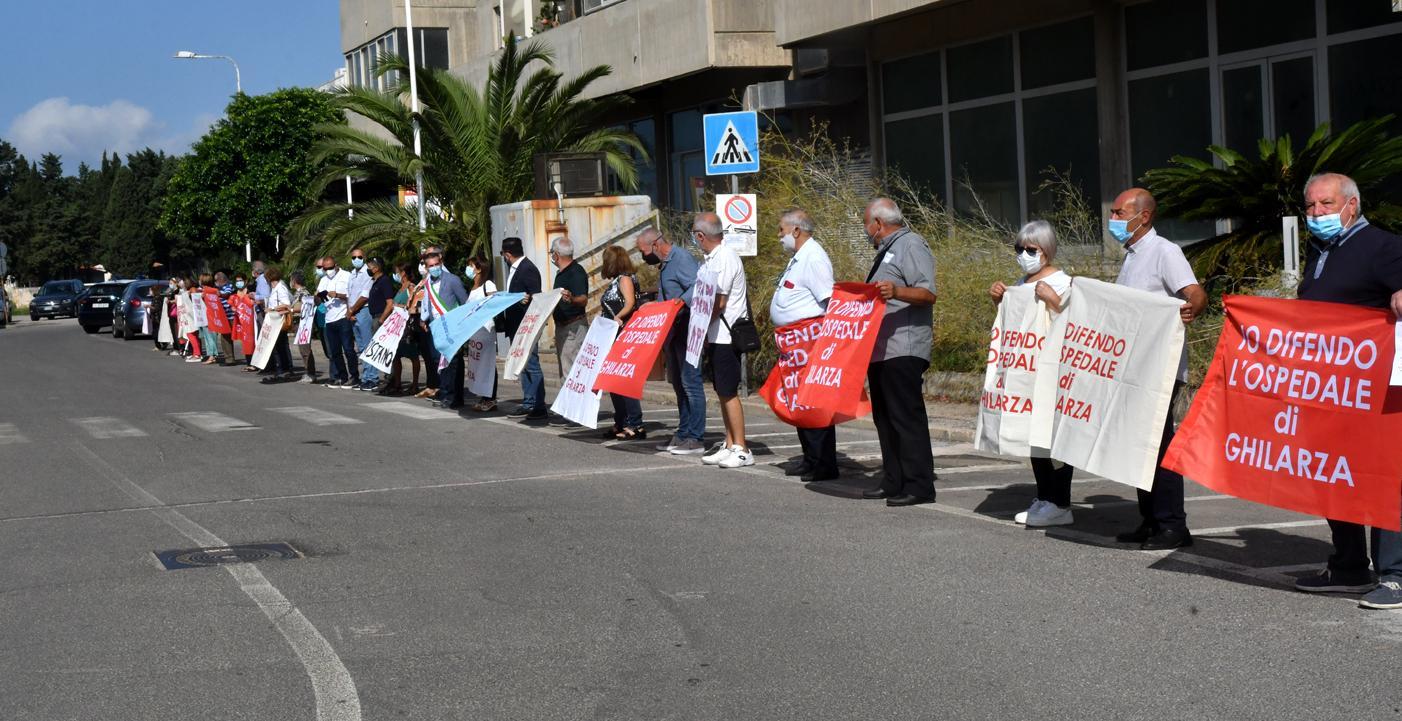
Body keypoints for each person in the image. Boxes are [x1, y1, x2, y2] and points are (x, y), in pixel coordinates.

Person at [1291, 172, 1402, 610]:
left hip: (1375, 395)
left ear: (1351, 206)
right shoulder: (1321, 251)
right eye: (1311, 206)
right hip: (1329, 392)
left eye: (1325, 204)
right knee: (1335, 475)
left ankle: (1395, 575)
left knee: (1383, 481)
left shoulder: (1383, 245)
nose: (1316, 213)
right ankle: (1350, 565)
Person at [1107, 187, 1208, 549]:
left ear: (1144, 216)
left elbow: (1195, 293)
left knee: (1160, 447)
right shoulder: (1131, 256)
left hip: (1158, 369)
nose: (1114, 220)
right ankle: (1150, 519)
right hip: (1133, 367)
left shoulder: (1165, 251)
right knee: (1139, 447)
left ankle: (1173, 525)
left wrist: (1190, 308)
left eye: (1119, 213)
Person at [990, 220, 1076, 526]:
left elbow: (1075, 322)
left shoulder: (1066, 283)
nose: (1023, 255)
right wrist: (1001, 300)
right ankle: (1045, 496)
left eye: (1031, 249)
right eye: (1019, 248)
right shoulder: (1021, 284)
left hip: (1053, 372)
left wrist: (1053, 300)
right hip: (1026, 372)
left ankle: (1061, 503)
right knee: (1034, 437)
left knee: (1054, 438)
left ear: (1047, 251)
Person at [859, 198, 938, 507]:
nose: (866, 231)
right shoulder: (885, 251)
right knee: (885, 418)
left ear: (879, 223)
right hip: (881, 348)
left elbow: (928, 292)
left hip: (903, 346)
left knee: (906, 417)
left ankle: (919, 485)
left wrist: (897, 291)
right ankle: (893, 480)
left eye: (866, 224)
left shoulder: (911, 244)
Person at [770, 208, 838, 482]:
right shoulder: (798, 257)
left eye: (781, 230)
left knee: (814, 403)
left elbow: (828, 301)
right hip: (794, 345)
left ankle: (823, 464)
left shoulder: (814, 257)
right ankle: (810, 458)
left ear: (796, 231)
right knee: (799, 402)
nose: (779, 236)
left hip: (809, 343)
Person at [638, 228, 706, 455]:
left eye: (643, 251)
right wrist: (655, 308)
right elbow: (667, 296)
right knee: (678, 383)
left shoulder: (681, 258)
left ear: (656, 244)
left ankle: (695, 437)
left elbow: (697, 286)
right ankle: (683, 432)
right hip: (674, 333)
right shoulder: (666, 264)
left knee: (690, 383)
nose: (643, 256)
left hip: (687, 329)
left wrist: (678, 303)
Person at [694, 212, 753, 469]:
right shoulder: (710, 260)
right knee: (721, 391)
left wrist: (700, 326)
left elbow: (720, 301)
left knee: (729, 392)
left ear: (700, 236)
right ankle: (729, 443)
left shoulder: (726, 257)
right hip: (714, 335)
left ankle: (742, 448)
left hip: (727, 334)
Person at [599, 245, 644, 439]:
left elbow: (630, 303)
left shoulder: (625, 279)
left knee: (624, 380)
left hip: (623, 334)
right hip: (612, 334)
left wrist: (617, 316)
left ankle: (635, 423)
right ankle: (621, 420)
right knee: (614, 380)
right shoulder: (617, 280)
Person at [499, 236, 545, 419]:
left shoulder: (527, 269)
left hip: (526, 326)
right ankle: (529, 401)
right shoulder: (514, 268)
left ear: (507, 254)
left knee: (532, 365)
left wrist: (524, 300)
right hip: (515, 326)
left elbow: (537, 297)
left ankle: (538, 405)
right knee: (523, 365)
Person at [423, 248, 469, 409]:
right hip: (437, 328)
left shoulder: (452, 280)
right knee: (439, 362)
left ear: (441, 263)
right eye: (431, 265)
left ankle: (454, 397)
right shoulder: (427, 282)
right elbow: (428, 304)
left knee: (453, 362)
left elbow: (464, 302)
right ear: (426, 267)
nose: (434, 267)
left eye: (436, 264)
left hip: (452, 327)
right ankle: (445, 392)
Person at [317, 255, 359, 389]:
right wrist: (318, 297)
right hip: (329, 319)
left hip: (343, 317)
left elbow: (353, 295)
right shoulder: (323, 279)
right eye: (325, 269)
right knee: (335, 352)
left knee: (348, 349)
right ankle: (342, 376)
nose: (327, 271)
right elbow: (318, 296)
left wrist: (338, 295)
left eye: (330, 268)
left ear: (336, 266)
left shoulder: (346, 276)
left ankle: (354, 376)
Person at [465, 256, 499, 412]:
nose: (469, 269)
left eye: (471, 265)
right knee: (479, 365)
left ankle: (490, 398)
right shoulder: (473, 287)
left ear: (479, 268)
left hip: (485, 331)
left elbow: (495, 303)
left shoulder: (488, 284)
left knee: (488, 364)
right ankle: (484, 396)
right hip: (475, 332)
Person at [382, 264, 422, 396]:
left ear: (403, 273)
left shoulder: (411, 287)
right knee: (396, 355)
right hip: (397, 328)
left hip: (408, 327)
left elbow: (413, 304)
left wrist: (398, 306)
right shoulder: (400, 288)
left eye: (397, 272)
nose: (396, 275)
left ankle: (415, 384)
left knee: (413, 356)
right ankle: (397, 383)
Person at [359, 258, 397, 392]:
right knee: (379, 351)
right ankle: (387, 380)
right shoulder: (374, 281)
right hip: (374, 316)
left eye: (370, 267)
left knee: (385, 350)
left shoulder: (384, 281)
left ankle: (390, 380)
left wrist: (381, 320)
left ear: (376, 268)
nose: (368, 269)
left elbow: (390, 302)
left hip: (380, 317)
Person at [345, 248, 380, 391]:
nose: (356, 260)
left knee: (367, 345)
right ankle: (365, 377)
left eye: (359, 257)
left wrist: (352, 309)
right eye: (353, 257)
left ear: (364, 257)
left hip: (364, 310)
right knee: (360, 347)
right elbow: (349, 294)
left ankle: (372, 377)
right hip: (353, 312)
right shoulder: (352, 274)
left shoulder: (367, 273)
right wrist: (349, 311)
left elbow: (364, 295)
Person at [261, 266, 297, 383]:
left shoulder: (280, 288)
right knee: (279, 346)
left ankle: (284, 369)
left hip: (279, 321)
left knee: (280, 346)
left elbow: (286, 304)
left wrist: (271, 309)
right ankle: (282, 369)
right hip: (275, 320)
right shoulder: (275, 288)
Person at [288, 270, 319, 383]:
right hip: (298, 324)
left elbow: (305, 307)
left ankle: (311, 373)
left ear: (294, 281)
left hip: (304, 324)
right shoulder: (297, 293)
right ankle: (308, 372)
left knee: (305, 349)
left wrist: (290, 310)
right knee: (302, 350)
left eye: (291, 279)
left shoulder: (304, 293)